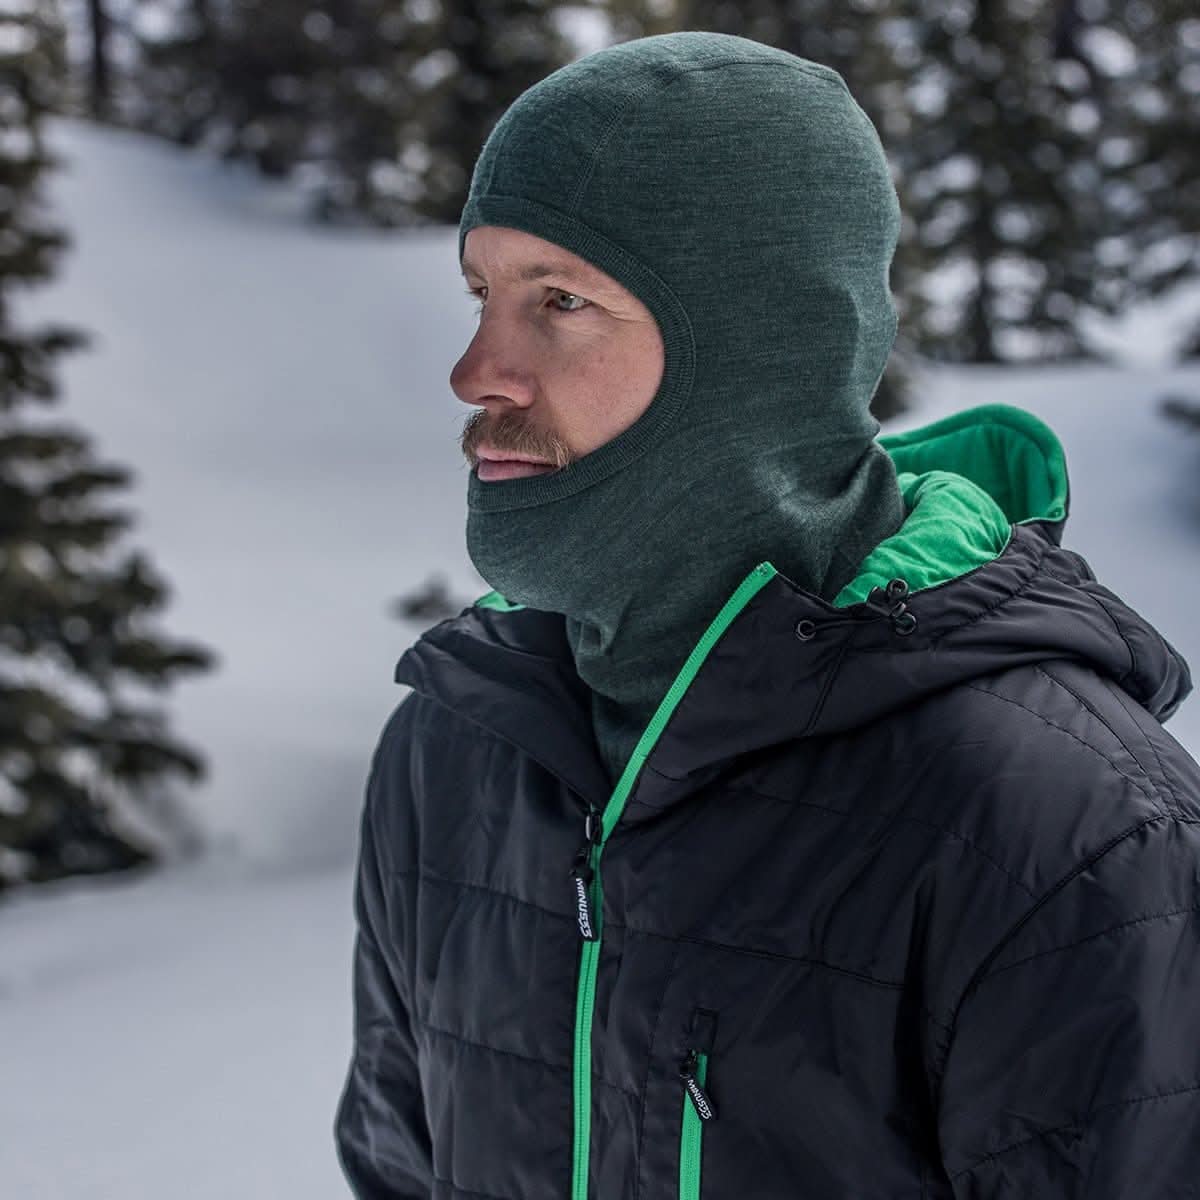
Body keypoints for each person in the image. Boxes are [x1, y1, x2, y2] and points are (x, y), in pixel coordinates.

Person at [334, 30, 1200, 1199]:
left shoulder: (1065, 834)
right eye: (483, 294)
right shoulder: (456, 748)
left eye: (560, 300)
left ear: (755, 351)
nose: (476, 368)